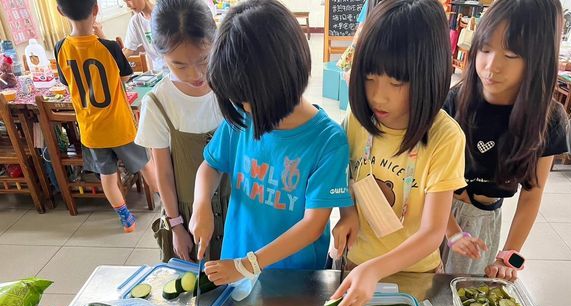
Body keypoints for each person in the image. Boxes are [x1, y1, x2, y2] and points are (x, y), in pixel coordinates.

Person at [189, 0, 353, 285]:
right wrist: (201, 203)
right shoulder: (242, 117)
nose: (243, 107)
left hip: (294, 279)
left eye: (247, 99)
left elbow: (313, 225)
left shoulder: (328, 141)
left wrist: (248, 265)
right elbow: (210, 166)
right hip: (236, 263)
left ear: (284, 79)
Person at [329, 0, 466, 306]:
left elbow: (433, 233)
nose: (378, 96)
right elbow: (343, 177)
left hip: (416, 273)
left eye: (396, 82)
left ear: (429, 76)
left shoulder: (446, 138)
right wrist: (347, 213)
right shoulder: (356, 120)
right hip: (357, 262)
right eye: (370, 77)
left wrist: (376, 270)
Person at [441, 0, 567, 281]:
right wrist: (449, 229)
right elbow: (427, 174)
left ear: (538, 59)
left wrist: (510, 254)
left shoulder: (549, 118)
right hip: (435, 209)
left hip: (483, 220)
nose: (491, 66)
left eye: (510, 54)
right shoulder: (455, 100)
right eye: (485, 49)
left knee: (464, 295)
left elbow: (532, 193)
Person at [135, 0, 227, 262]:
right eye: (179, 65)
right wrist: (176, 226)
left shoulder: (230, 87)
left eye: (203, 60)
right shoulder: (158, 103)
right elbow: (163, 172)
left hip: (236, 207)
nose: (195, 74)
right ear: (160, 55)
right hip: (187, 216)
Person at [55, 0, 157, 232]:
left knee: (107, 175)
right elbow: (125, 78)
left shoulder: (60, 47)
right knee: (146, 165)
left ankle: (126, 219)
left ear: (60, 12)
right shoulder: (109, 47)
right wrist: (101, 35)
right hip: (119, 125)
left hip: (91, 130)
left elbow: (65, 81)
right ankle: (170, 210)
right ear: (96, 9)